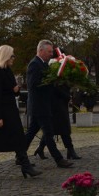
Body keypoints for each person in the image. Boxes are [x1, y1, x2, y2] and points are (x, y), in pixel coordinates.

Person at [0, 45, 41, 179]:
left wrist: (15, 90)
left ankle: (25, 165)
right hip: (1, 112)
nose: (14, 58)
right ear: (5, 56)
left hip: (9, 110)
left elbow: (8, 90)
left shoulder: (6, 70)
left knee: (17, 138)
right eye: (12, 55)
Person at [24, 40, 73, 168]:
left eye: (52, 51)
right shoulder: (34, 65)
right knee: (49, 133)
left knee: (31, 133)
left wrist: (63, 95)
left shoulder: (44, 64)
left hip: (43, 105)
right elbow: (33, 85)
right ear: (41, 51)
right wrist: (49, 83)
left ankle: (20, 155)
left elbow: (50, 85)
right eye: (49, 51)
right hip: (39, 105)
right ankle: (59, 159)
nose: (51, 54)